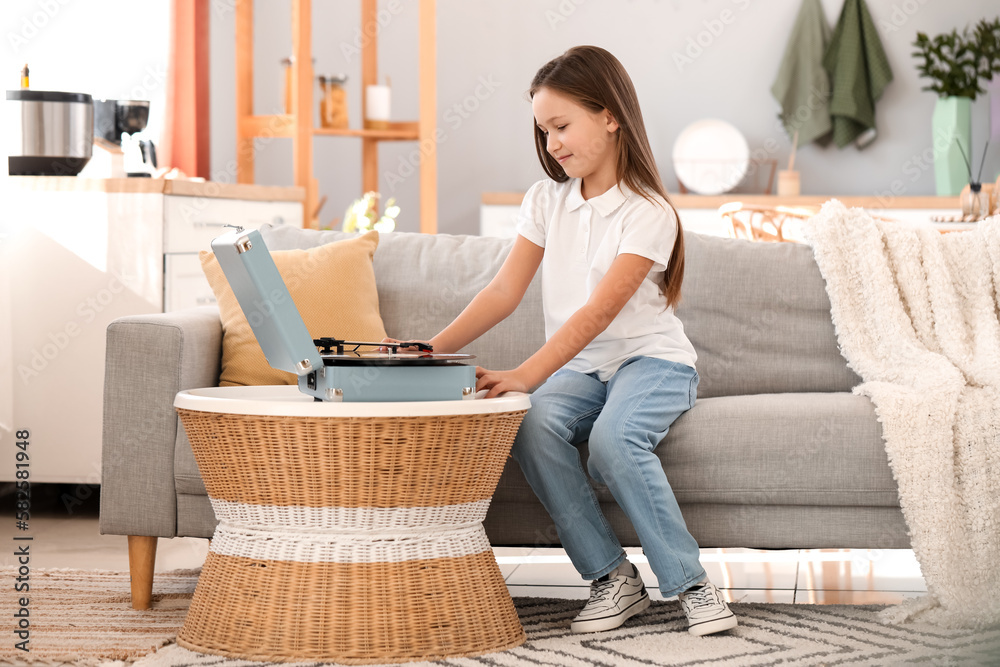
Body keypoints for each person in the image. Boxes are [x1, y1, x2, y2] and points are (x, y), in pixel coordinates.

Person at [382, 45, 737, 637]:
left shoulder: (648, 212)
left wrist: (525, 374)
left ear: (610, 115)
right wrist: (431, 350)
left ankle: (693, 585)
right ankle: (610, 578)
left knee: (614, 443)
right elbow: (502, 291)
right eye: (544, 131)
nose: (553, 144)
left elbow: (598, 313)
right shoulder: (547, 200)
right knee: (528, 422)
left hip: (652, 363)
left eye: (562, 125)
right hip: (584, 370)